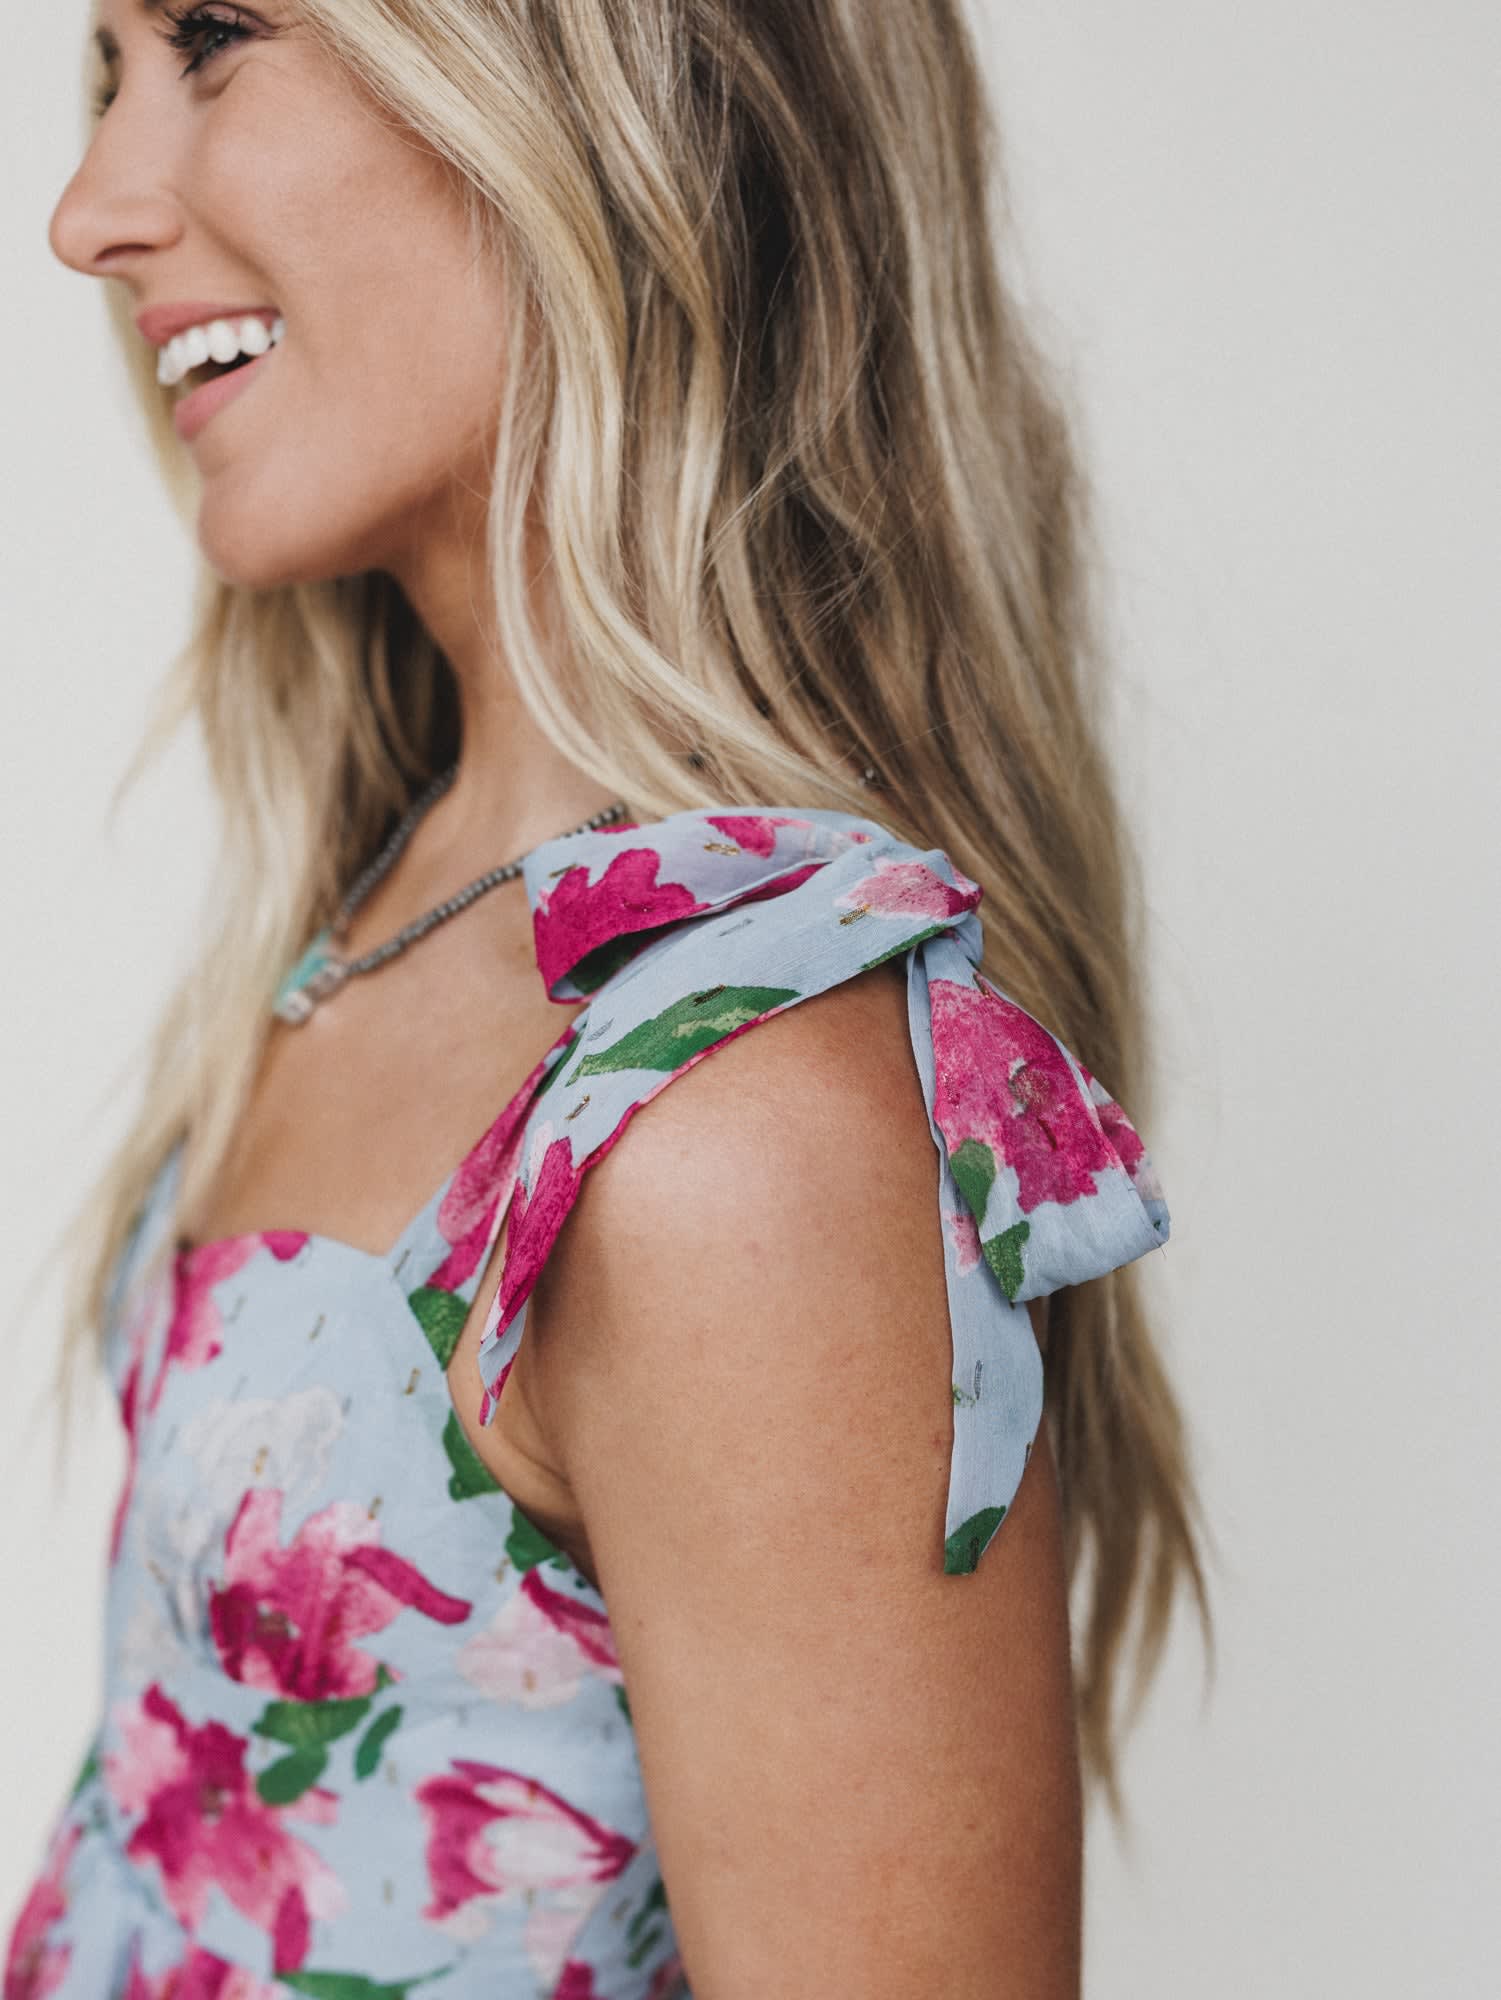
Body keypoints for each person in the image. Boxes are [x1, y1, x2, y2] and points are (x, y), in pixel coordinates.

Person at [7, 2, 1214, 1995]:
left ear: (599, 82)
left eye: (215, 37)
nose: (89, 212)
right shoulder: (387, 911)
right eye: (107, 75)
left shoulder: (739, 1122)